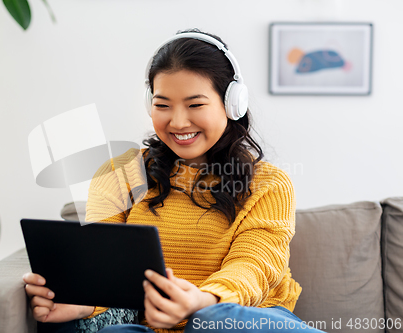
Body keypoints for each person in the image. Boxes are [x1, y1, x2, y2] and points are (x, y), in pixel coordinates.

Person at [23, 28, 326, 333]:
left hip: (237, 320)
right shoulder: (121, 173)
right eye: (163, 105)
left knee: (210, 321)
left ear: (231, 103)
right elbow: (104, 270)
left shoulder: (269, 184)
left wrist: (202, 300)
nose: (178, 122)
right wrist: (82, 301)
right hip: (151, 326)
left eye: (195, 105)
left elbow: (254, 266)